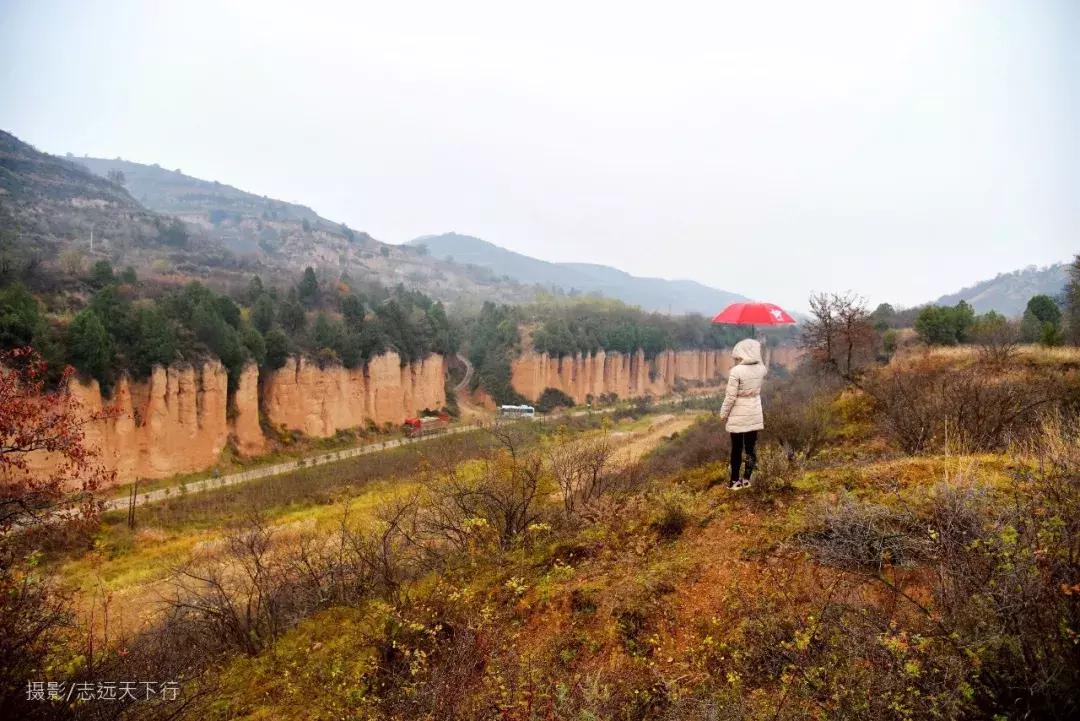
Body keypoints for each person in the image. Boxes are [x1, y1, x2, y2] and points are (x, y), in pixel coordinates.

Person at [718, 338, 767, 490]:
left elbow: (731, 396)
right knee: (751, 448)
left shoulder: (736, 371)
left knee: (737, 449)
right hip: (754, 410)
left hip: (739, 412)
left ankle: (734, 481)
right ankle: (747, 478)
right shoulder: (761, 369)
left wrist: (723, 413)